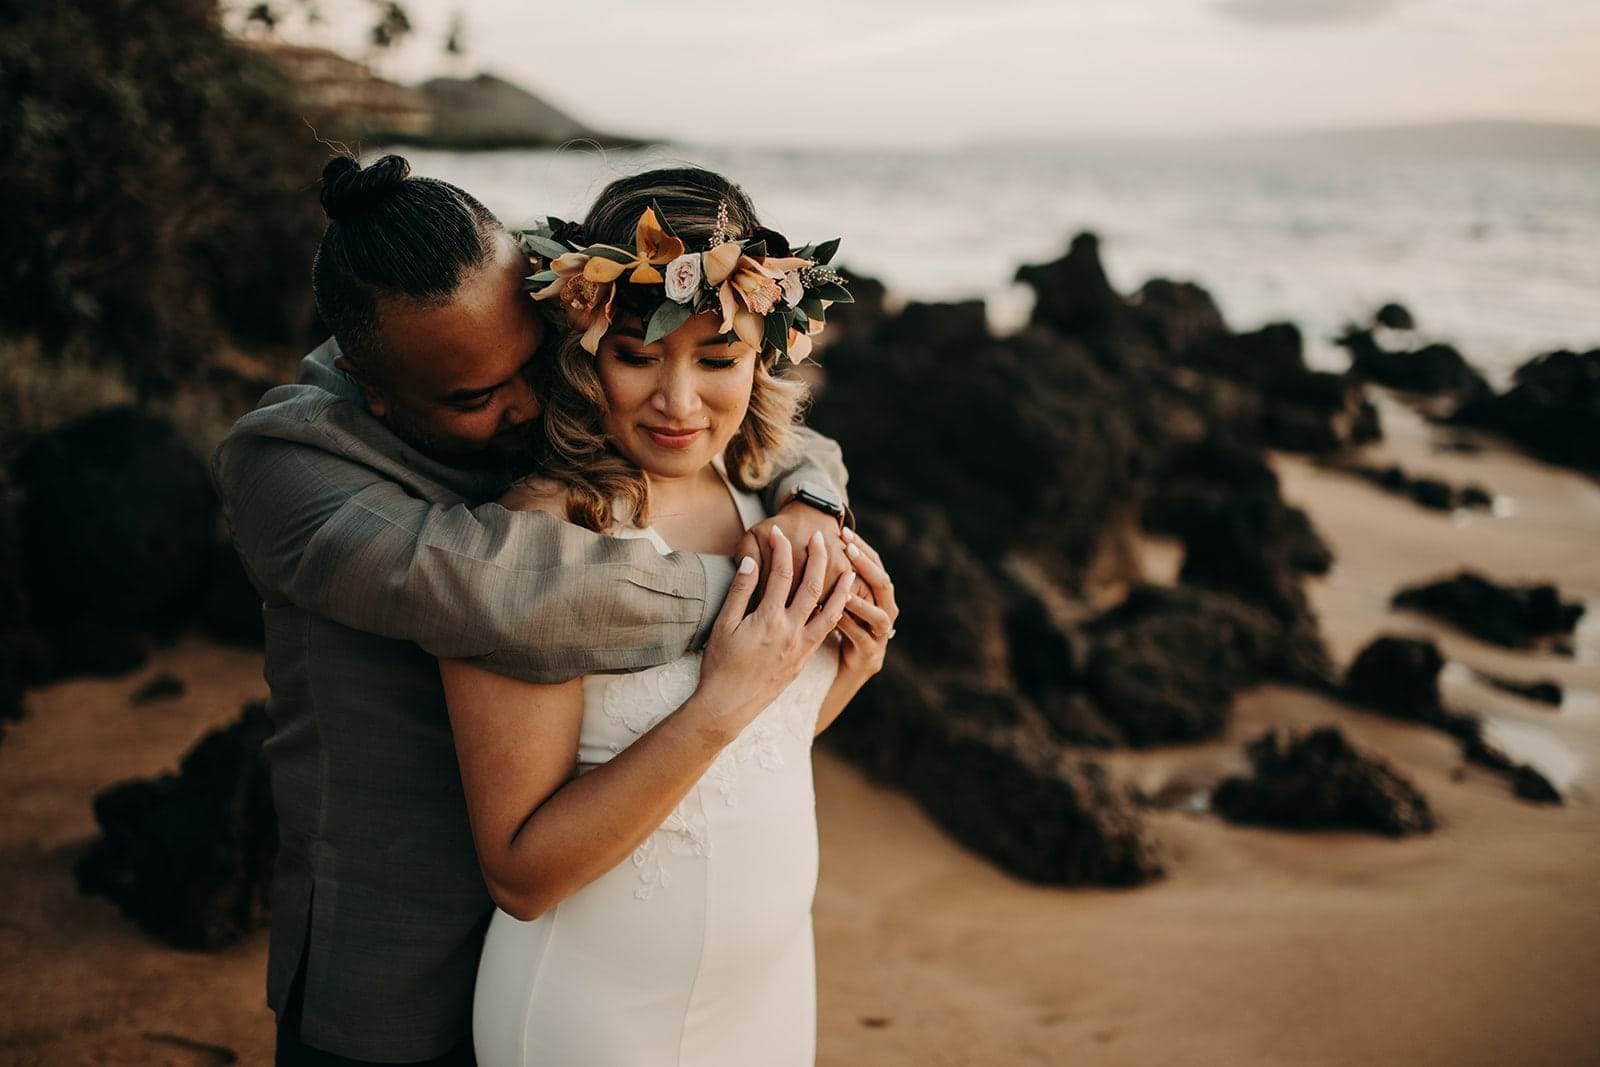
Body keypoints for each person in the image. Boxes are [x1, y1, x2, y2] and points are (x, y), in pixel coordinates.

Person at [211, 154, 857, 1066]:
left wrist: (814, 511)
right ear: (373, 378)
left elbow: (762, 426)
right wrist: (768, 602)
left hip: (683, 956)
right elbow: (512, 593)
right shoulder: (287, 473)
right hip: (401, 941)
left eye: (537, 364)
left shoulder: (578, 394)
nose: (528, 404)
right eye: (476, 396)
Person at [445, 168, 899, 1067]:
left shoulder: (764, 494)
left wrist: (844, 673)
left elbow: (751, 764)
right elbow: (522, 873)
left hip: (768, 990)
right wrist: (725, 701)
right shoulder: (542, 539)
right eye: (639, 354)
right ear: (583, 352)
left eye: (716, 359)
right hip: (598, 1014)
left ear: (762, 356)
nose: (680, 402)